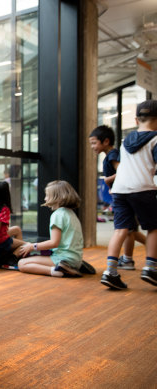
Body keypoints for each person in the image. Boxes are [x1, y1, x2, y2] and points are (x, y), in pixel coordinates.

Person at [100, 100, 157, 290]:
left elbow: (129, 167)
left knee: (120, 230)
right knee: (153, 228)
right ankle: (151, 267)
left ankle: (110, 272)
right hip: (142, 188)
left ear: (136, 119)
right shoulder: (156, 138)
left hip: (120, 190)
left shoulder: (125, 142)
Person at [89, 125, 146, 270]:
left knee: (127, 230)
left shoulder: (113, 154)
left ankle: (128, 259)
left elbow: (122, 170)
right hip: (123, 195)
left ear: (106, 141)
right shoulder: (111, 155)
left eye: (94, 143)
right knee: (130, 230)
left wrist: (108, 180)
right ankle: (128, 259)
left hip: (123, 197)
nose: (92, 146)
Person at [17, 180, 84, 277]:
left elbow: (54, 243)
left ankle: (58, 271)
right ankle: (73, 266)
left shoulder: (57, 215)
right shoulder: (71, 214)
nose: (45, 198)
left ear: (57, 197)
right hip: (76, 258)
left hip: (62, 258)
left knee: (22, 264)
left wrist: (32, 246)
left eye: (47, 195)